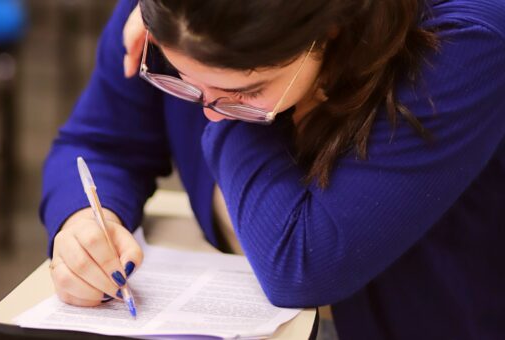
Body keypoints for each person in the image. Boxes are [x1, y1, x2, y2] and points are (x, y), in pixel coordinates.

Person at [41, 0, 505, 339]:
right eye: (181, 79)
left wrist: (225, 108)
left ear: (332, 28)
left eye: (245, 90)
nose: (211, 113)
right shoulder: (169, 16)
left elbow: (303, 264)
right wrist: (82, 222)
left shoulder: (466, 40)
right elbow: (96, 143)